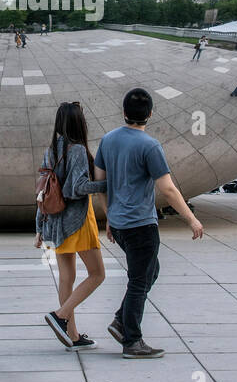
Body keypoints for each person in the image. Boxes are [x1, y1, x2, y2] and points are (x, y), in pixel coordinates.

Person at [96, 88, 203, 359]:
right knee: (138, 280)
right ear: (151, 114)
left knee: (149, 272)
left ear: (123, 112)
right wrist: (191, 219)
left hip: (120, 224)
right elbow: (167, 189)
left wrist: (109, 216)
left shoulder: (107, 140)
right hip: (140, 225)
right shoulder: (149, 145)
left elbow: (100, 183)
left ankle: (122, 321)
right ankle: (132, 340)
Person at [38, 102, 109, 351]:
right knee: (98, 274)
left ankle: (73, 335)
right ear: (80, 123)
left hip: (55, 223)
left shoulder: (51, 150)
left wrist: (39, 228)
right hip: (77, 221)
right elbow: (75, 189)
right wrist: (107, 184)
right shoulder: (77, 150)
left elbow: (42, 191)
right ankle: (60, 315)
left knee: (67, 277)